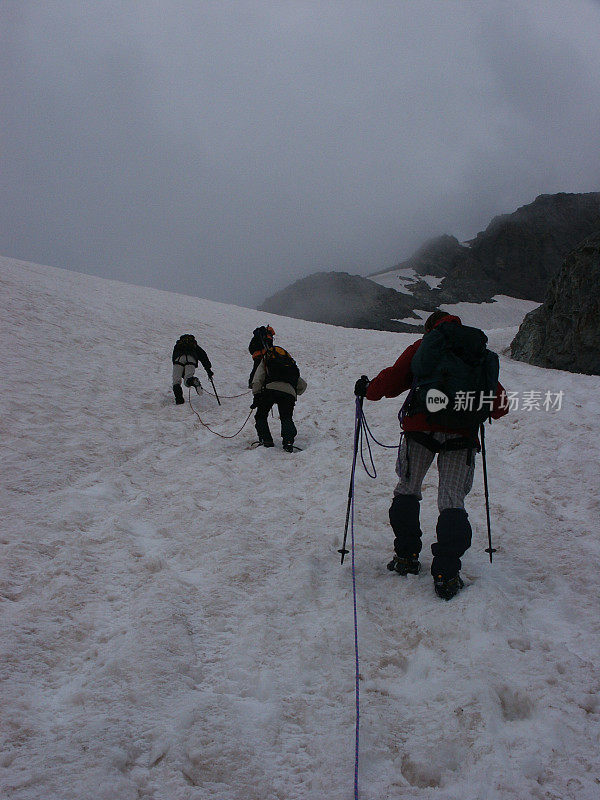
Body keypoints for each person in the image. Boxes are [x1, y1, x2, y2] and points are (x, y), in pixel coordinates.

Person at [354, 310, 508, 600]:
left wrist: (367, 390)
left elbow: (392, 379)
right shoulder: (475, 351)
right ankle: (446, 575)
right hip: (462, 435)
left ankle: (406, 557)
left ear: (430, 328)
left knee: (408, 490)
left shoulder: (424, 347)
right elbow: (500, 405)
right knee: (452, 500)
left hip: (419, 429)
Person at [251, 344, 307, 451]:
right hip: (288, 393)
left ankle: (266, 440)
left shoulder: (266, 360)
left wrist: (257, 394)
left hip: (269, 390)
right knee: (286, 417)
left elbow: (258, 378)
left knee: (261, 416)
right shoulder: (288, 364)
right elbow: (302, 386)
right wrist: (293, 391)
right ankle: (288, 441)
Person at [171, 334, 213, 404]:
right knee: (187, 380)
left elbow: (174, 356)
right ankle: (193, 381)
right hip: (191, 359)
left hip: (178, 359)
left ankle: (179, 400)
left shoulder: (178, 345)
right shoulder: (194, 346)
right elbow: (203, 357)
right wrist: (208, 370)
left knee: (176, 381)